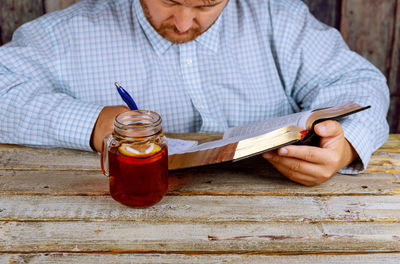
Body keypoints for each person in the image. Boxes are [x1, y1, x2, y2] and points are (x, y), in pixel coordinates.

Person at [0, 0, 389, 186]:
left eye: (206, 5)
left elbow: (360, 82)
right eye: (168, 1)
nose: (184, 23)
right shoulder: (68, 33)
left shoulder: (278, 18)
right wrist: (93, 124)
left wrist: (345, 147)